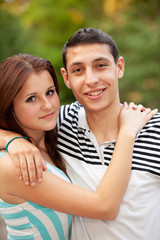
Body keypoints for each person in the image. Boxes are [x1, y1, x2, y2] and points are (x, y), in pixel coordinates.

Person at [0, 27, 159, 240]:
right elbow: (104, 206)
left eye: (100, 65)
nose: (91, 80)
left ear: (119, 67)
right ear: (66, 78)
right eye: (78, 70)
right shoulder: (60, 124)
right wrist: (12, 140)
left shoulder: (153, 129)